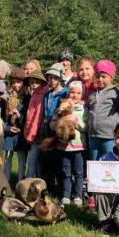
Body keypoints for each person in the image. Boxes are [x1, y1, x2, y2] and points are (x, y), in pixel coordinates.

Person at [50, 81, 87, 207]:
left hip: (78, 147)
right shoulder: (61, 109)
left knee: (78, 173)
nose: (75, 95)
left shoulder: (83, 109)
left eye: (78, 93)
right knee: (65, 172)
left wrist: (74, 119)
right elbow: (52, 124)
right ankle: (66, 196)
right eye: (72, 92)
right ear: (68, 93)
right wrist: (60, 121)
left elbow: (85, 127)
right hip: (63, 147)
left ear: (82, 95)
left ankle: (78, 196)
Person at [86, 59, 119, 161]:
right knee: (94, 164)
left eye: (104, 76)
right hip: (93, 136)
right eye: (98, 76)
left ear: (111, 78)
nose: (100, 79)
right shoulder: (92, 94)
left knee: (111, 164)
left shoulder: (116, 92)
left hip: (110, 137)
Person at [40, 62, 69, 192]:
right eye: (50, 78)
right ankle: (48, 189)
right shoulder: (47, 94)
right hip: (46, 131)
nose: (51, 80)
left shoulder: (65, 93)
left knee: (58, 163)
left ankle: (61, 190)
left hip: (56, 131)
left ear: (60, 79)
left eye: (55, 78)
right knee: (46, 163)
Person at [22, 69, 48, 178]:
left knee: (32, 160)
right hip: (33, 132)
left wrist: (31, 134)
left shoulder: (41, 95)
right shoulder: (35, 94)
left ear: (42, 83)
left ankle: (29, 180)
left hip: (36, 134)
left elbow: (37, 117)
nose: (33, 84)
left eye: (36, 82)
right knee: (35, 160)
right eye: (32, 82)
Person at [4, 67, 28, 181]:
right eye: (13, 82)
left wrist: (20, 116)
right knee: (8, 157)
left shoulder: (27, 98)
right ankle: (7, 181)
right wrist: (8, 128)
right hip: (10, 132)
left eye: (18, 82)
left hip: (21, 133)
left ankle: (20, 181)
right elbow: (4, 118)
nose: (15, 85)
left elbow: (29, 118)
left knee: (21, 158)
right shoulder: (7, 98)